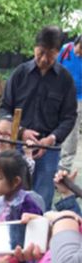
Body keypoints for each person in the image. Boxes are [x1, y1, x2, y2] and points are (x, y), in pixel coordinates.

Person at [0, 25, 77, 209]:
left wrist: (51, 139)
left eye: (50, 56)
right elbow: (5, 108)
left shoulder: (65, 80)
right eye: (40, 53)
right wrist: (21, 132)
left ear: (58, 53)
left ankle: (38, 238)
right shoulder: (20, 74)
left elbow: (69, 117)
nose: (43, 59)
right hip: (18, 146)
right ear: (35, 48)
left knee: (41, 201)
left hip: (48, 151)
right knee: (12, 199)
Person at [57, 34, 82, 172]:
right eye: (79, 49)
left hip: (79, 98)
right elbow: (55, 68)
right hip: (60, 94)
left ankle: (64, 167)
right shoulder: (65, 50)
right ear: (76, 43)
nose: (79, 53)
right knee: (54, 124)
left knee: (72, 132)